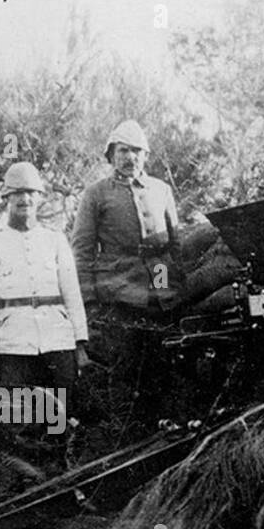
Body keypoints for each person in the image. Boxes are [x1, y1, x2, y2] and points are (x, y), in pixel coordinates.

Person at [0, 162, 89, 468]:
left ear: (39, 198)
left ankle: (63, 475)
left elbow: (72, 294)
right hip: (14, 343)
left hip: (57, 339)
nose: (24, 200)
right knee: (20, 416)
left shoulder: (55, 240)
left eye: (30, 193)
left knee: (62, 411)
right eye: (17, 194)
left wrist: (79, 343)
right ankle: (27, 479)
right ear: (6, 199)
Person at [70, 119, 183, 422]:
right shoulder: (96, 194)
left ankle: (168, 425)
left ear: (145, 156)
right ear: (111, 155)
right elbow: (81, 251)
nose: (130, 157)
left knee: (166, 361)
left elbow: (175, 244)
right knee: (125, 367)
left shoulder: (160, 189)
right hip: (118, 291)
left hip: (160, 285)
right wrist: (90, 302)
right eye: (123, 151)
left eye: (136, 151)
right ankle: (127, 432)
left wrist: (170, 285)